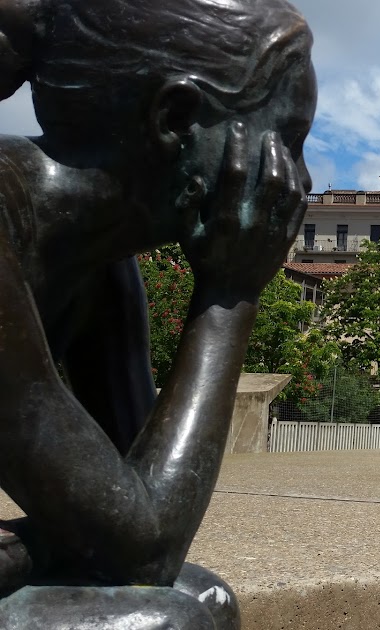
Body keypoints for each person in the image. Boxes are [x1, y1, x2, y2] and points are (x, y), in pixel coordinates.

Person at [0, 0, 315, 627]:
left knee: (200, 597)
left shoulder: (98, 266)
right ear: (174, 118)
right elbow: (140, 545)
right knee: (172, 619)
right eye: (288, 141)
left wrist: (36, 545)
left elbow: (138, 507)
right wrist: (231, 292)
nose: (297, 180)